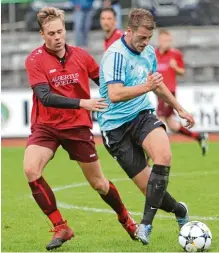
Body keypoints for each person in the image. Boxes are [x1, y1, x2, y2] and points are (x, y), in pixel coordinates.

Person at [24, 7, 137, 251]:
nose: (57, 37)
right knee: (31, 169)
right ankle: (61, 226)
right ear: (42, 35)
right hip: (47, 126)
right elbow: (44, 96)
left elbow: (106, 84)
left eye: (60, 31)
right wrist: (83, 102)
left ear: (65, 30)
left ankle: (125, 217)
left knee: (99, 184)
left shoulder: (82, 57)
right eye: (51, 33)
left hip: (77, 127)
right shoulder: (34, 60)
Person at [98, 8, 195, 245]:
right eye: (141, 38)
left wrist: (178, 108)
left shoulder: (148, 52)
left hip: (141, 115)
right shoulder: (115, 55)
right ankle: (180, 211)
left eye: (148, 38)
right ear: (129, 31)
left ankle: (146, 225)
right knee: (152, 191)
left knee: (164, 154)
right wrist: (147, 87)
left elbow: (157, 85)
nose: (145, 43)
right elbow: (115, 94)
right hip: (115, 128)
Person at [155, 29, 208, 155]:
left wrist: (175, 67)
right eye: (164, 40)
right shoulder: (154, 54)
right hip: (158, 92)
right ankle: (198, 136)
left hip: (169, 93)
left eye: (168, 40)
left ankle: (157, 152)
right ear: (159, 40)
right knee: (172, 124)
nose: (166, 43)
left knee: (159, 120)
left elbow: (182, 72)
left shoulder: (175, 54)